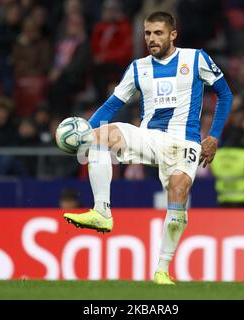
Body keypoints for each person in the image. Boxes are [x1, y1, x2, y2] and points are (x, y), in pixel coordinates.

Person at [63, 12, 233, 285]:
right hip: (150, 136)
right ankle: (102, 212)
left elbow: (225, 94)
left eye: (158, 33)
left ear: (172, 34)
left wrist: (213, 136)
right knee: (99, 136)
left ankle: (162, 269)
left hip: (185, 142)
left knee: (178, 192)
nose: (152, 39)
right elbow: (112, 104)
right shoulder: (138, 67)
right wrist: (85, 131)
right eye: (147, 34)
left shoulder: (196, 59)